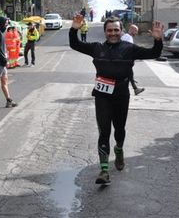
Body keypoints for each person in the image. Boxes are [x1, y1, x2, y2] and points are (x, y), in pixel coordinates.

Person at [69, 15, 163, 185]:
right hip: (102, 96)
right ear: (105, 32)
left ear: (121, 31)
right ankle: (104, 170)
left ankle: (119, 149)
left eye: (116, 30)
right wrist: (74, 28)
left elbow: (154, 53)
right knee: (104, 131)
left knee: (119, 129)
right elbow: (75, 44)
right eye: (109, 30)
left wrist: (157, 40)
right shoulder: (97, 48)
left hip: (121, 95)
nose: (113, 33)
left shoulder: (129, 48)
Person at [121, 24, 145, 95]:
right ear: (132, 30)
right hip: (125, 61)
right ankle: (134, 89)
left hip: (124, 61)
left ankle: (135, 88)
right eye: (136, 31)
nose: (136, 33)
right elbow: (129, 50)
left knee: (129, 75)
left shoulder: (126, 36)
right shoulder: (128, 38)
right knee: (128, 75)